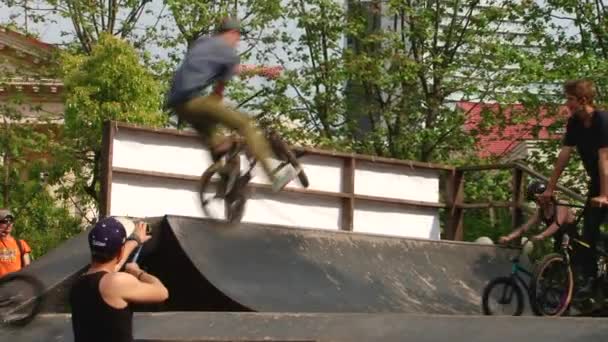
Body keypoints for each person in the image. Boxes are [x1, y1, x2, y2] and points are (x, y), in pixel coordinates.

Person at [166, 16, 296, 192]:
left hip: (177, 104)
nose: (237, 42)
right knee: (245, 124)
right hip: (193, 101)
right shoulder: (228, 52)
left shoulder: (203, 42)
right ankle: (274, 175)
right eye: (238, 38)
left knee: (215, 140)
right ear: (233, 33)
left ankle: (226, 179)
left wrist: (261, 70)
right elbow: (220, 90)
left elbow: (225, 69)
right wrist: (263, 71)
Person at [540, 79, 608, 295]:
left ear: (584, 100)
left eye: (570, 99)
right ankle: (591, 278)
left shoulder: (603, 120)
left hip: (606, 180)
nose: (566, 103)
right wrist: (550, 189)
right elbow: (564, 156)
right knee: (588, 232)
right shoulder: (574, 123)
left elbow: (604, 159)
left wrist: (605, 195)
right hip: (598, 183)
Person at [70, 217, 169, 342]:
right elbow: (162, 292)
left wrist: (135, 240)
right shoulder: (116, 283)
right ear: (120, 251)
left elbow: (111, 267)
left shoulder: (78, 285)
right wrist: (137, 272)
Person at [499, 181, 577, 252]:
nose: (538, 202)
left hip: (574, 242)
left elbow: (557, 224)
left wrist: (542, 235)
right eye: (535, 200)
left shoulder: (561, 204)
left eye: (539, 199)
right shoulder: (540, 211)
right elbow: (525, 227)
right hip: (559, 243)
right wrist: (509, 237)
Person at [0, 209, 32, 278]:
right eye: (5, 221)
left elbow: (27, 269)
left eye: (11, 221)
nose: (9, 224)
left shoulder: (21, 244)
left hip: (17, 286)